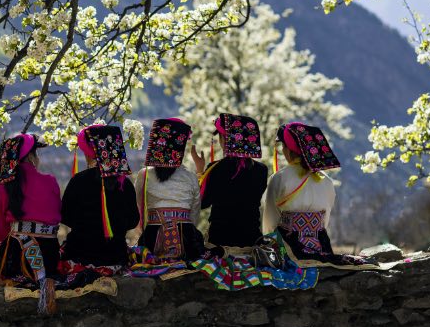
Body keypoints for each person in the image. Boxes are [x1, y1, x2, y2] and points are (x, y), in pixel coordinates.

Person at [263, 122, 365, 265]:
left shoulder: (279, 178)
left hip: (288, 250)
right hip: (321, 247)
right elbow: (324, 221)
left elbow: (270, 220)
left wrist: (268, 243)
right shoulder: (327, 181)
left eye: (283, 147)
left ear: (288, 149)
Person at [0, 133, 61, 312]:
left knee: (1, 253)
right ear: (31, 156)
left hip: (17, 258)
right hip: (51, 258)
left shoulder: (2, 187)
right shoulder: (51, 182)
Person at [61, 124, 139, 268]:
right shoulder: (125, 183)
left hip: (79, 256)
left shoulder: (78, 180)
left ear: (91, 152)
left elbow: (65, 216)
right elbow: (133, 220)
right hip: (115, 257)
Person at [190, 113, 268, 247]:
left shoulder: (215, 169)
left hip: (220, 242)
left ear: (225, 140)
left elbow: (202, 203)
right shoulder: (261, 170)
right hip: (251, 241)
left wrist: (200, 171)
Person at [135, 118, 205, 261]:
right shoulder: (191, 177)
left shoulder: (145, 174)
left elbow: (139, 206)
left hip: (152, 239)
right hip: (186, 241)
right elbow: (194, 215)